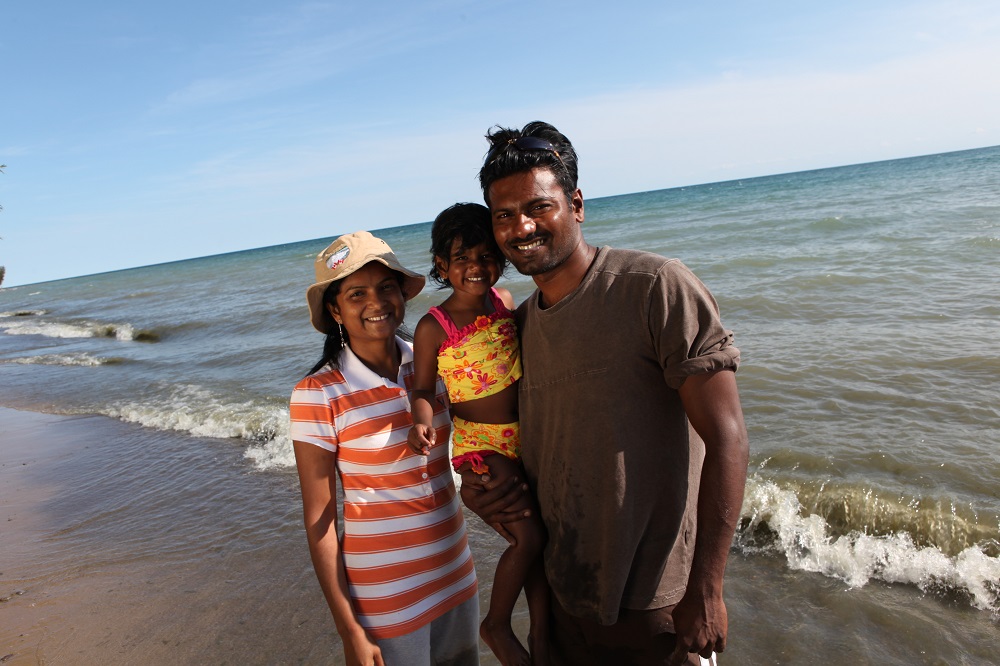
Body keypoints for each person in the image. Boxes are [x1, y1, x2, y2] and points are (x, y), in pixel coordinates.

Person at [460, 122, 750, 666]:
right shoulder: (516, 328)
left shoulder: (654, 287)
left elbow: (728, 438)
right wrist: (482, 491)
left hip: (657, 603)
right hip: (565, 596)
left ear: (576, 204)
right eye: (504, 215)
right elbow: (528, 450)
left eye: (538, 207)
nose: (521, 227)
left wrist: (707, 590)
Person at [289, 231, 480, 666]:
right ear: (335, 309)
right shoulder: (318, 394)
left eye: (386, 287)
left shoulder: (435, 364)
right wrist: (349, 629)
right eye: (357, 293)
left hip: (455, 571)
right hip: (386, 597)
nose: (376, 302)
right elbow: (319, 520)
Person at [407, 203, 549, 666]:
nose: (476, 267)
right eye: (462, 258)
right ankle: (497, 624)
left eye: (486, 255)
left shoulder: (505, 302)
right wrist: (422, 420)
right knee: (527, 540)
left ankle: (546, 639)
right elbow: (425, 387)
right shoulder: (435, 326)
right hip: (480, 447)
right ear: (441, 267)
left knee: (539, 553)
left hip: (525, 439)